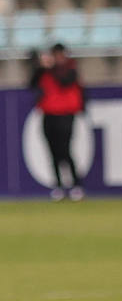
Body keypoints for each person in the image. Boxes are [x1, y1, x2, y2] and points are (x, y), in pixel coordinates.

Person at [30, 43, 86, 201]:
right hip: (48, 114)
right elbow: (31, 83)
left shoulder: (70, 69)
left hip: (66, 115)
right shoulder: (44, 72)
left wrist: (51, 68)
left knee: (65, 150)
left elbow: (65, 82)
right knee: (52, 151)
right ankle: (58, 185)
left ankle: (76, 184)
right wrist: (39, 67)